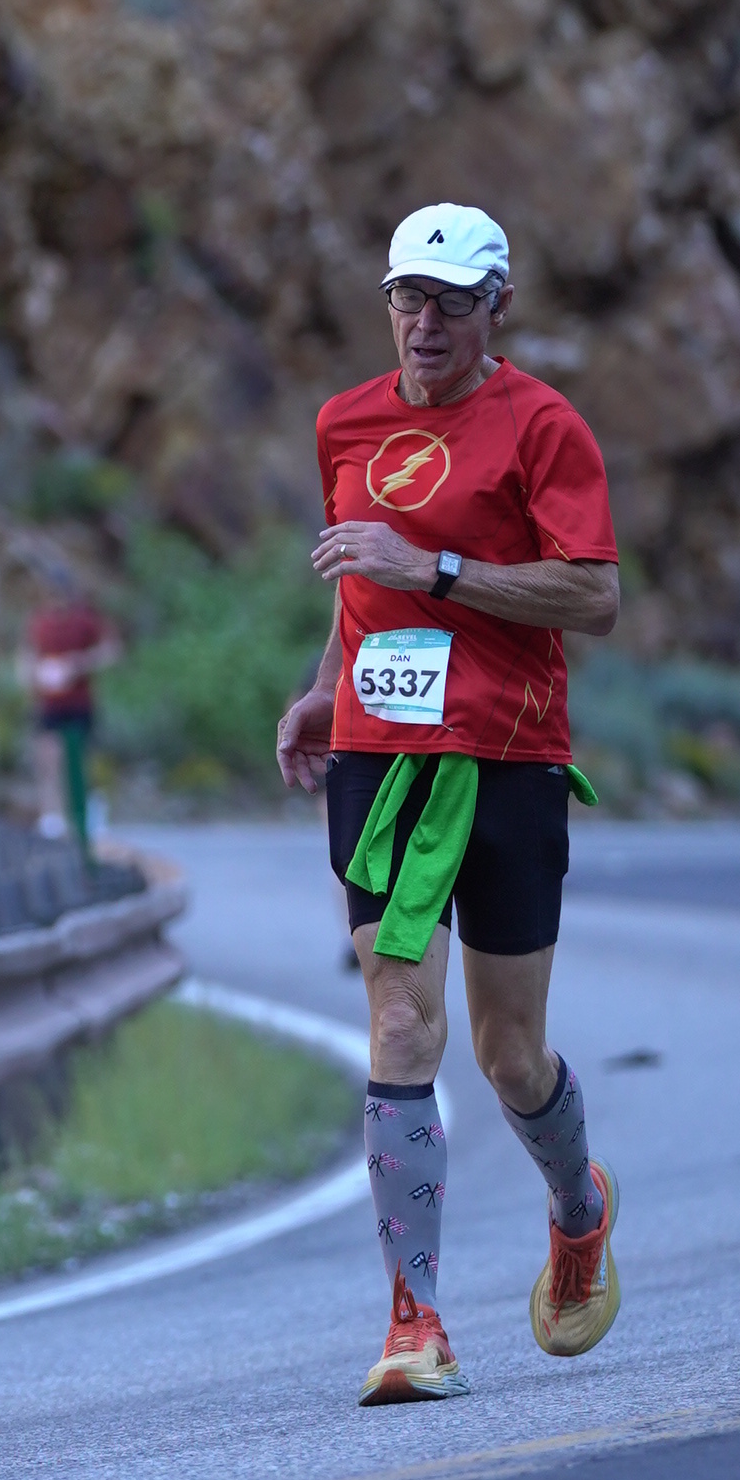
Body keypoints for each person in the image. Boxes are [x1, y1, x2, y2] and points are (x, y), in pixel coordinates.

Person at [274, 203, 624, 1406]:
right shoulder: (343, 422)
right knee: (398, 1027)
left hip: (508, 759)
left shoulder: (541, 426)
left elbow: (592, 596)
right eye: (406, 299)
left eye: (451, 304)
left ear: (495, 307)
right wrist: (321, 689)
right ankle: (412, 1320)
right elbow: (352, 583)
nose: (424, 325)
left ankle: (574, 1205)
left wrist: (432, 568)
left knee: (507, 1053)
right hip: (378, 760)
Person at [26, 584, 120, 850]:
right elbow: (28, 655)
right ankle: (52, 818)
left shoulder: (84, 621)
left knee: (84, 759)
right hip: (49, 703)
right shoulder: (40, 622)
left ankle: (92, 815)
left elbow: (110, 650)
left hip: (79, 702)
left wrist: (78, 664)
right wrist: (34, 675)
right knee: (48, 758)